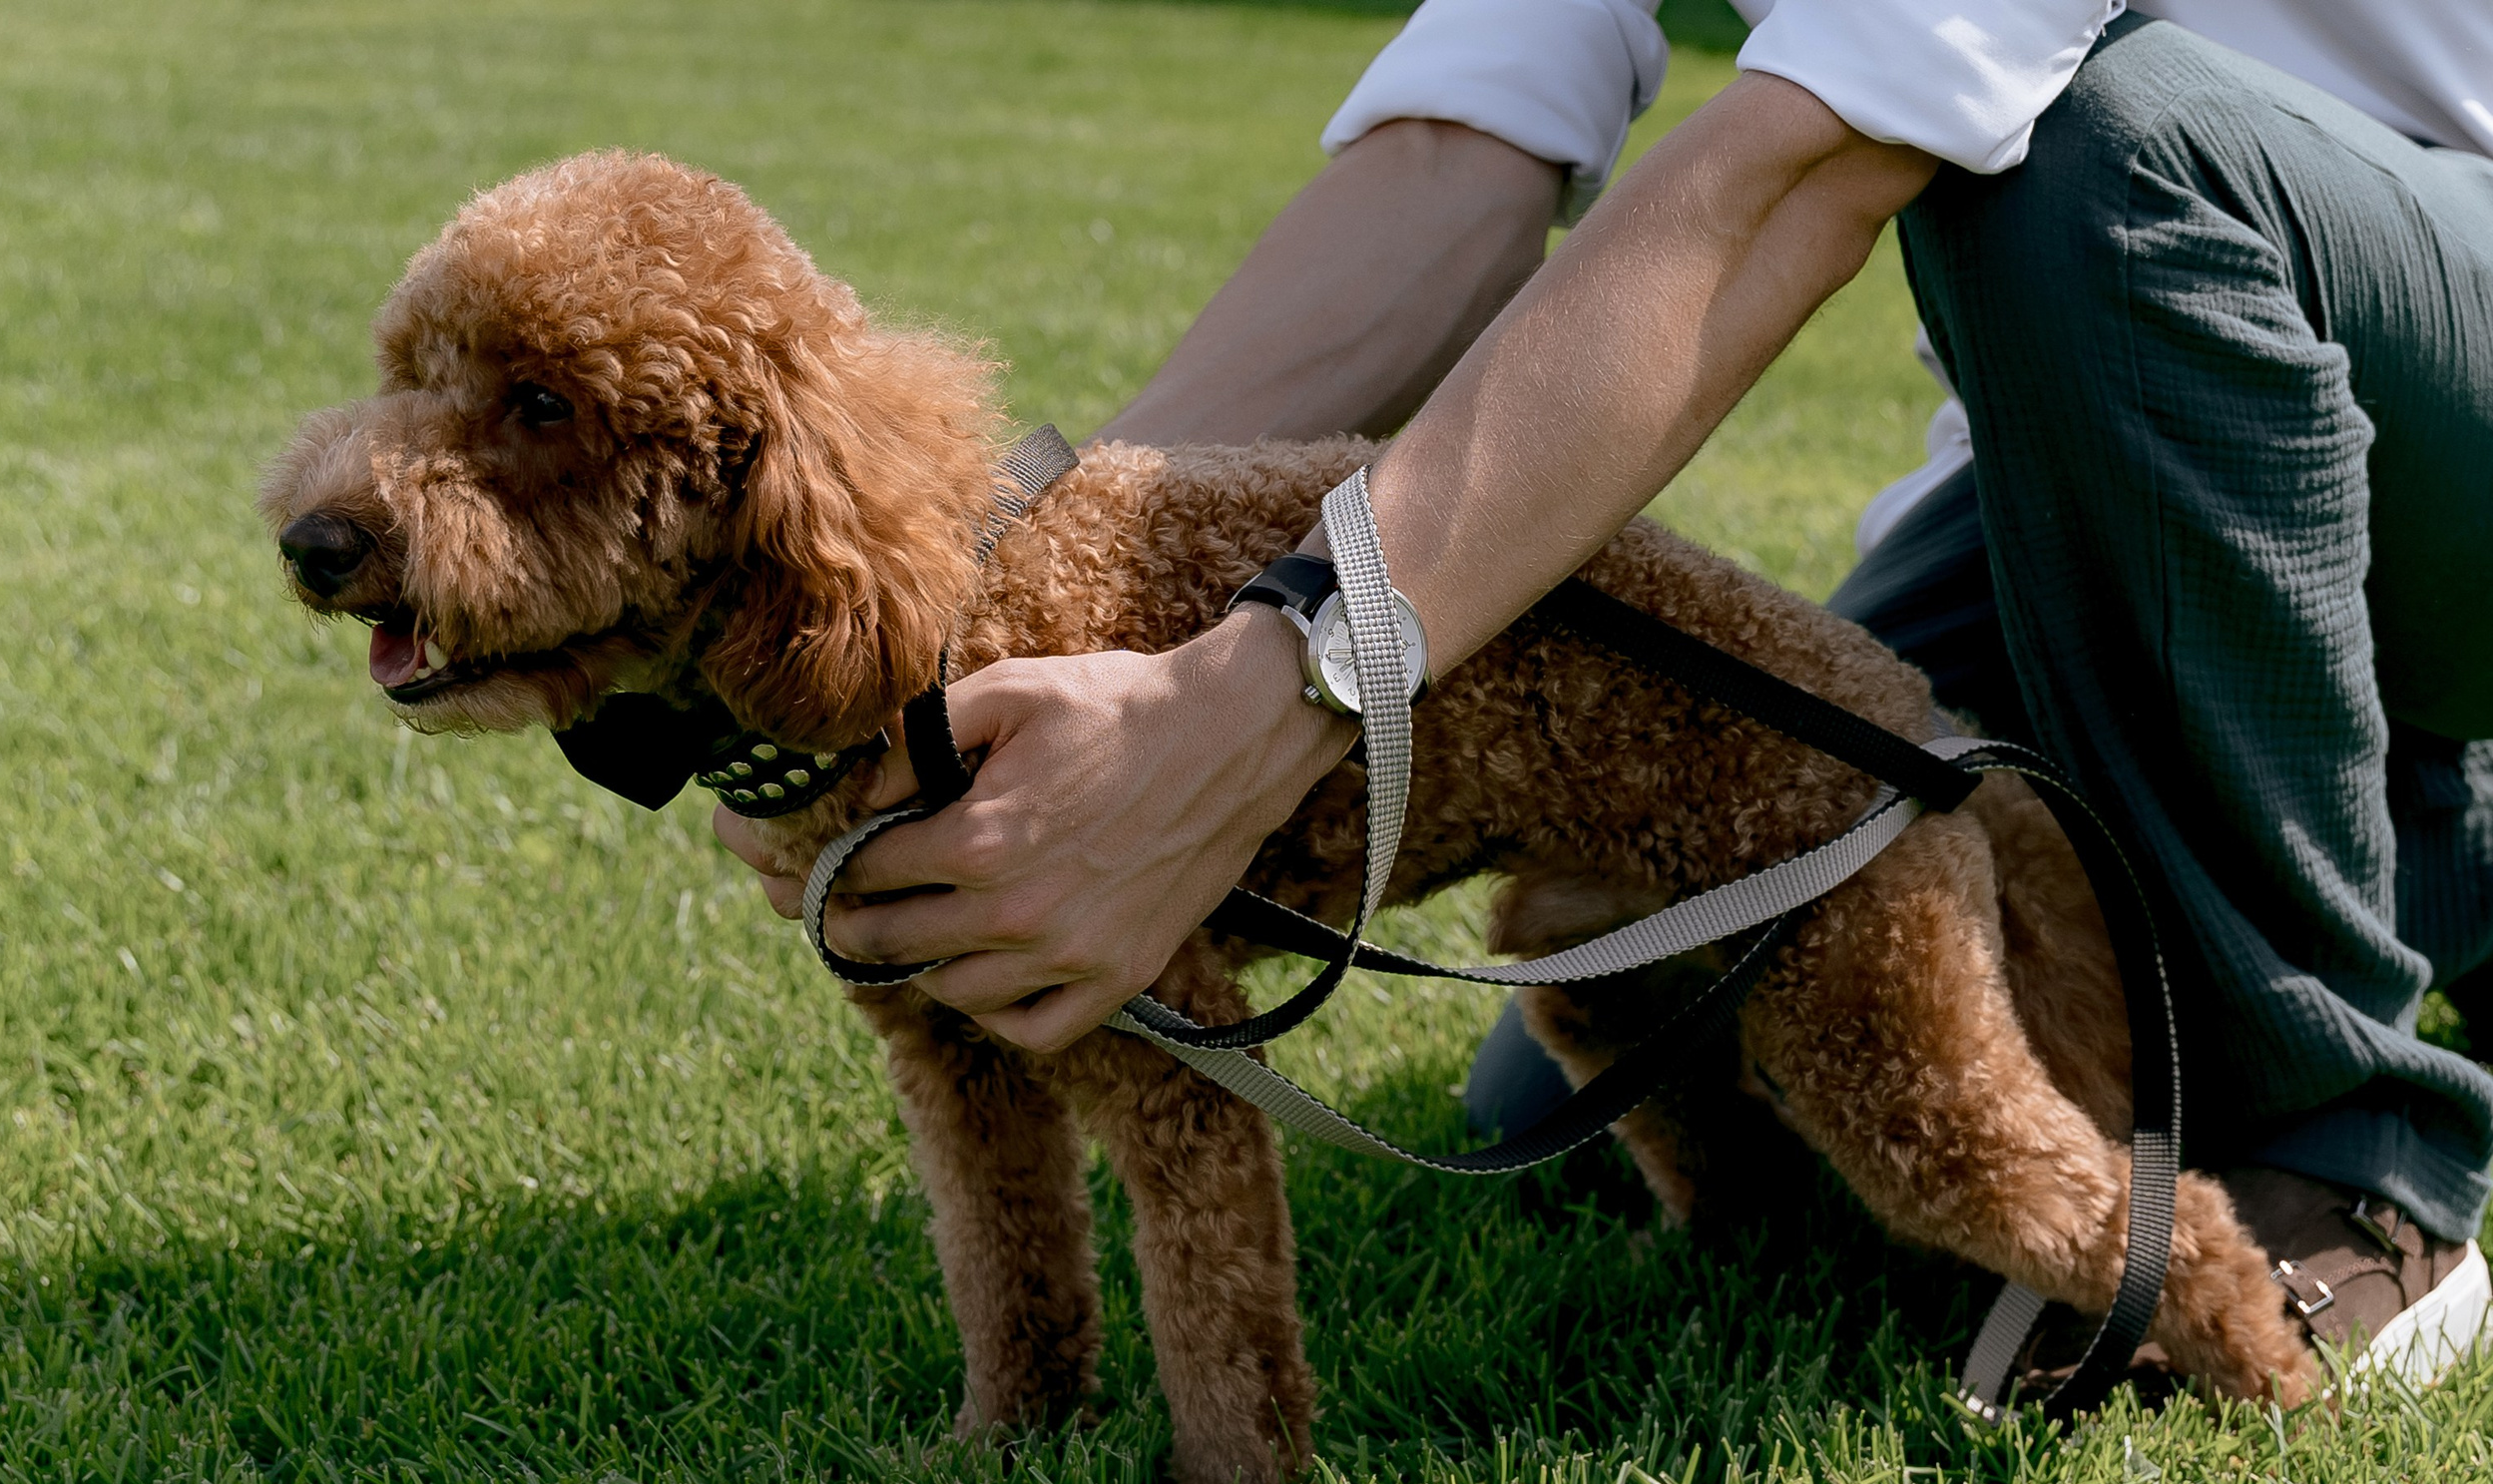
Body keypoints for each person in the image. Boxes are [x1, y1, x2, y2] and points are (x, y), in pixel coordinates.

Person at [719, 0, 2493, 1371]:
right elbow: (1459, 153)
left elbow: (1810, 161)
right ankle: (2428, 846)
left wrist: (1289, 671)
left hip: (2413, 353)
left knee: (2100, 145)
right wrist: (1041, 618)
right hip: (2100, 432)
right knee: (1644, 1026)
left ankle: (2354, 1154)